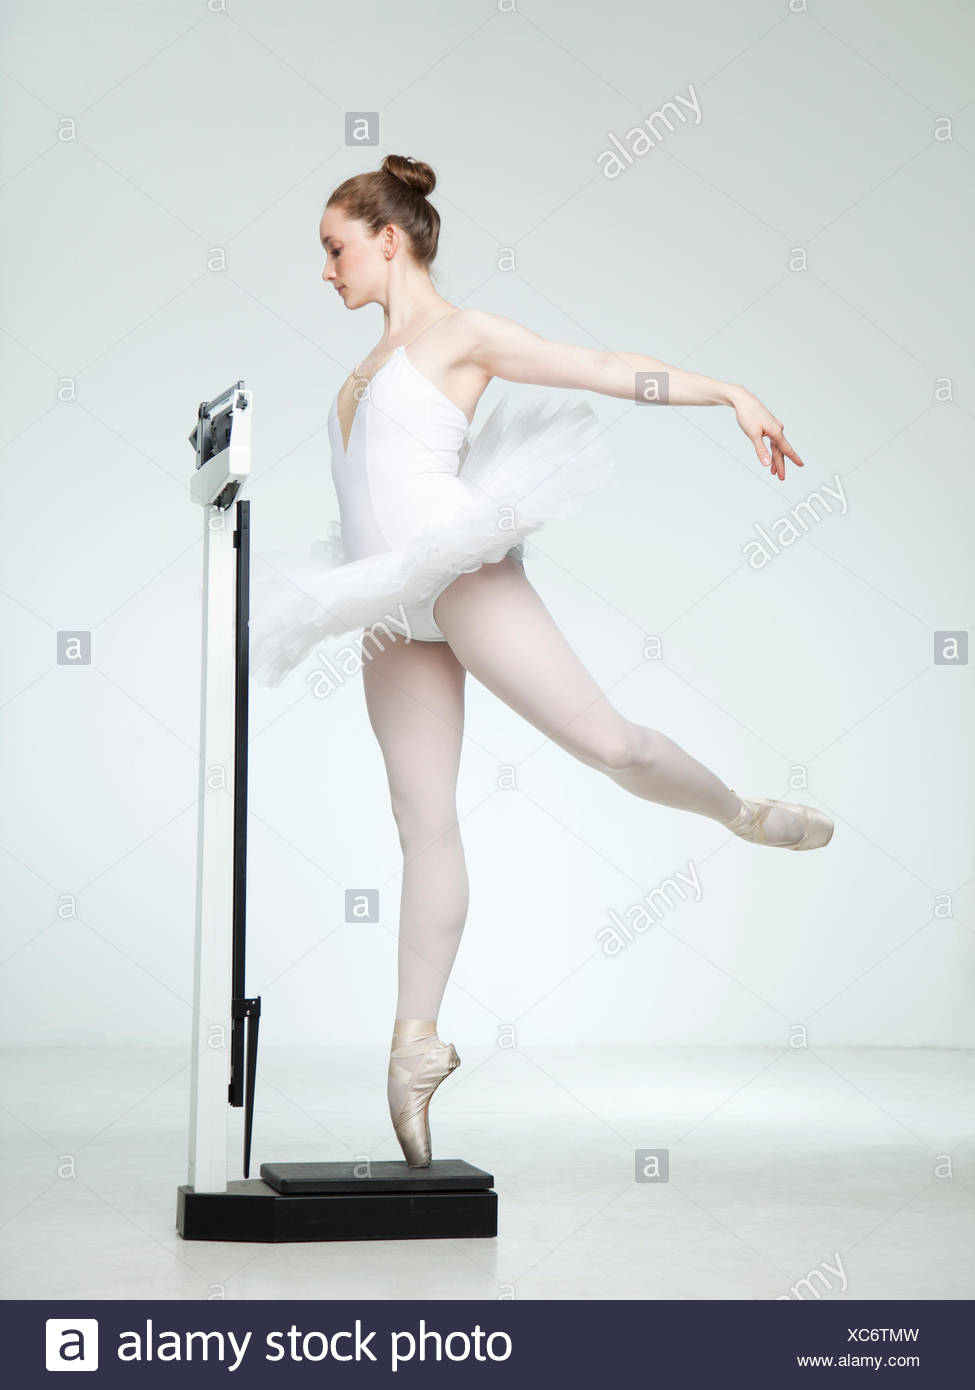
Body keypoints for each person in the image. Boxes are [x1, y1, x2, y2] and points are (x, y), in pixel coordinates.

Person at [249, 154, 834, 1169]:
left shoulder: (460, 336)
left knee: (607, 741)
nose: (325, 268)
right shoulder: (357, 369)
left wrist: (727, 392)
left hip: (456, 570)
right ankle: (414, 1046)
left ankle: (742, 813)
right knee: (420, 822)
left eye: (334, 247)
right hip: (391, 600)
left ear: (390, 239)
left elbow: (605, 368)